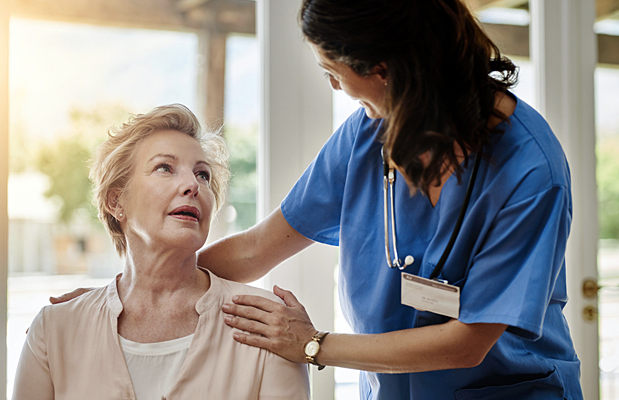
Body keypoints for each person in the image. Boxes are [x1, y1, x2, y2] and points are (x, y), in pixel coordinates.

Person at [51, 1, 583, 399]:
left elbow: (467, 342)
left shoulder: (529, 171)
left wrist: (312, 345)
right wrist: (128, 295)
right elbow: (258, 248)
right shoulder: (366, 136)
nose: (332, 86)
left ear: (385, 71)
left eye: (333, 71)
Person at [13, 104, 309, 400]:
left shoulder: (270, 325)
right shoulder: (53, 330)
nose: (193, 184)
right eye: (164, 168)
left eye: (203, 175)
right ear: (116, 202)